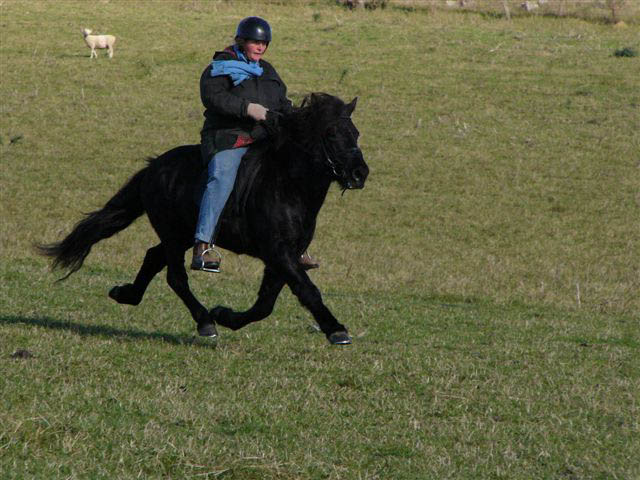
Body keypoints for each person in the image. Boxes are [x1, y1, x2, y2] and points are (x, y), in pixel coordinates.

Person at [192, 16, 319, 273]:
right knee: (222, 177)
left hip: (263, 138)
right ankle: (203, 245)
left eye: (264, 43)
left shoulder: (268, 71)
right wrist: (248, 108)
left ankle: (298, 244)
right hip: (228, 136)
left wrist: (296, 117)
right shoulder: (219, 68)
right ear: (241, 42)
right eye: (255, 42)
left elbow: (281, 101)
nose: (260, 48)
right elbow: (213, 99)